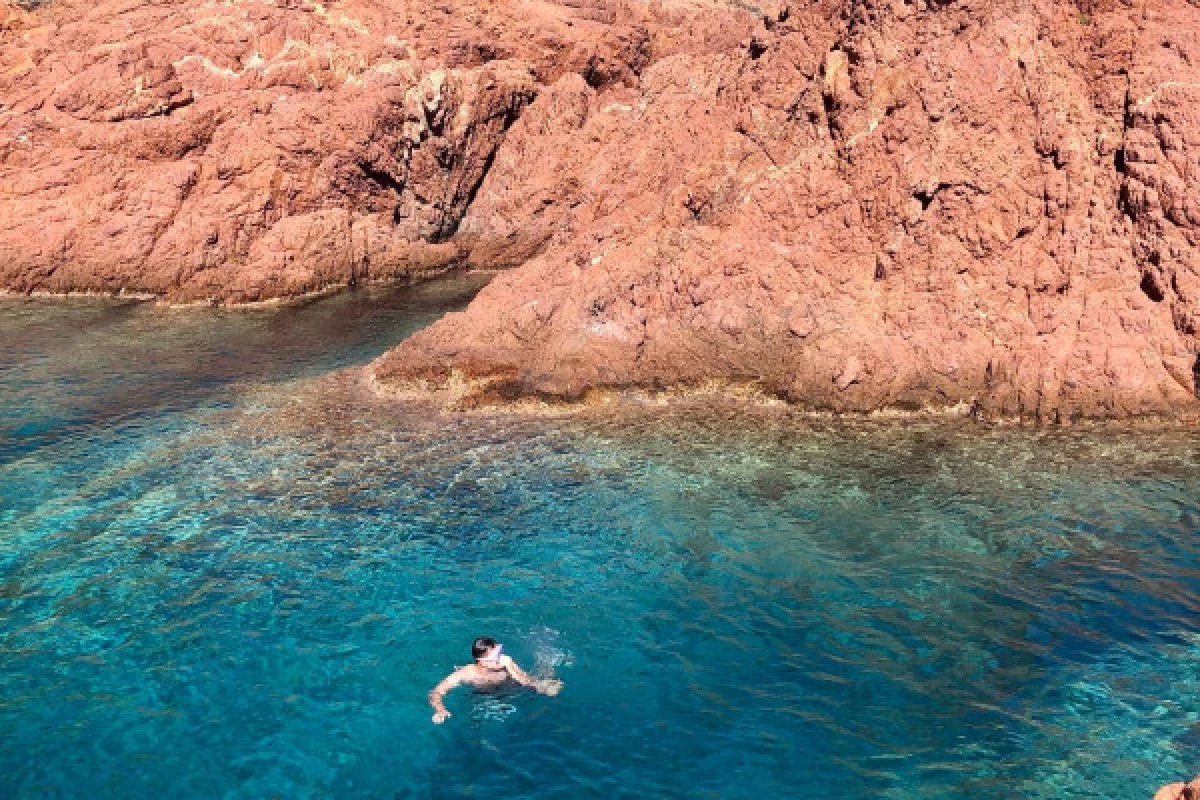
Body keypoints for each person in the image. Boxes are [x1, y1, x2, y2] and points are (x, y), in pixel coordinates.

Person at [429, 636, 562, 723]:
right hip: (485, 697)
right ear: (481, 661)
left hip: (512, 689)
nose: (499, 658)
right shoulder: (466, 674)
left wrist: (542, 686)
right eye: (495, 656)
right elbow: (436, 692)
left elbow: (524, 679)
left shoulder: (505, 660)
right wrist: (440, 709)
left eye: (499, 652)